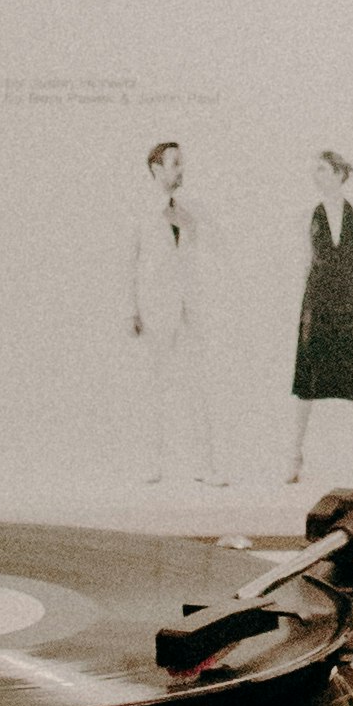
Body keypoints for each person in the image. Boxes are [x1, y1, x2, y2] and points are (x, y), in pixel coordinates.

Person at [129, 138, 220, 490]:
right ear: (156, 168)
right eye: (175, 163)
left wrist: (192, 226)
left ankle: (205, 465)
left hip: (188, 309)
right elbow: (127, 262)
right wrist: (130, 309)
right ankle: (150, 463)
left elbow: (201, 255)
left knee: (197, 385)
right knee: (155, 387)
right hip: (154, 310)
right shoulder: (139, 209)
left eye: (182, 163)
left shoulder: (187, 210)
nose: (182, 169)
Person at [287, 147, 353, 483]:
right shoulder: (306, 214)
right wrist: (304, 312)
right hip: (319, 299)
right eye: (315, 171)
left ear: (339, 174)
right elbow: (302, 264)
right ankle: (295, 457)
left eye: (323, 170)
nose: (317, 176)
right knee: (308, 381)